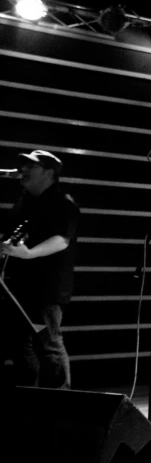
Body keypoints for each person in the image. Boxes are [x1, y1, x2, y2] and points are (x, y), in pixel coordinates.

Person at [1, 150, 78, 389]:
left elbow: (61, 239)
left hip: (44, 291)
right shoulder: (24, 202)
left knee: (47, 342)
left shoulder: (62, 203)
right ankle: (31, 399)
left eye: (31, 166)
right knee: (19, 344)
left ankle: (61, 401)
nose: (23, 169)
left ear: (48, 172)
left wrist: (30, 254)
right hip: (18, 287)